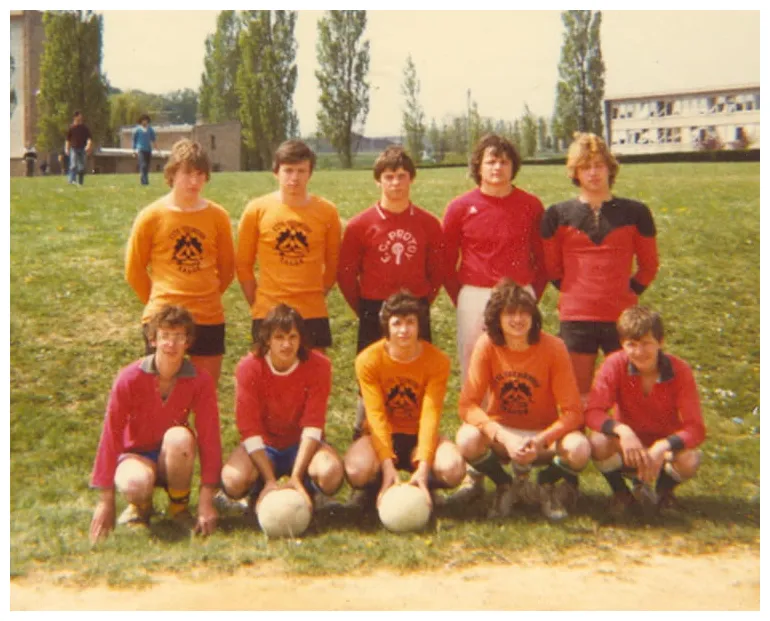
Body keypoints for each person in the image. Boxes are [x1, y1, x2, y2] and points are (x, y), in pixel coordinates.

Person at [453, 279, 589, 521]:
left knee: (579, 448)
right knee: (467, 439)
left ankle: (546, 485)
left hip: (542, 436)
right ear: (496, 318)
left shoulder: (554, 347)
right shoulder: (487, 345)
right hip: (503, 434)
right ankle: (504, 484)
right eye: (510, 313)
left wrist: (540, 440)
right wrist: (504, 437)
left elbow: (573, 412)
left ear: (533, 316)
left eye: (524, 312)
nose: (518, 319)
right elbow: (467, 404)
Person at [541, 132, 659, 403]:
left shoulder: (636, 212)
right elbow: (552, 268)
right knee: (576, 394)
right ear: (575, 172)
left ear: (610, 168)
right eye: (585, 167)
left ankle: (619, 431)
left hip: (621, 316)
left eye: (598, 165)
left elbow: (649, 265)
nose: (593, 173)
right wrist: (576, 292)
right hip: (576, 316)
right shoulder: (557, 214)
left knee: (628, 392)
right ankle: (581, 431)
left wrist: (626, 291)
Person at [89, 305, 222, 543]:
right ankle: (140, 507)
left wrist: (206, 501)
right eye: (165, 336)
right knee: (134, 482)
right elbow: (111, 434)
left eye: (178, 336)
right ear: (153, 340)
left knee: (180, 436)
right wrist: (105, 501)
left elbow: (210, 438)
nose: (171, 344)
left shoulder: (200, 380)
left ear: (188, 342)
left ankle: (179, 508)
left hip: (172, 457)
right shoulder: (129, 377)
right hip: (136, 455)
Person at [337, 146, 445, 438]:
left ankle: (419, 436)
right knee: (371, 371)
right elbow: (345, 274)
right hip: (374, 307)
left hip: (415, 308)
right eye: (388, 177)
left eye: (401, 176)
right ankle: (364, 432)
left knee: (416, 371)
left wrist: (420, 304)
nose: (395, 183)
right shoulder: (360, 225)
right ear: (378, 181)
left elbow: (437, 271)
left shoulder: (428, 223)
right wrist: (364, 307)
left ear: (412, 179)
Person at [125, 139, 235, 385]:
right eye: (187, 174)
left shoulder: (218, 217)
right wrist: (160, 302)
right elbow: (134, 270)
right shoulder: (151, 216)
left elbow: (228, 269)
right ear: (172, 174)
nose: (194, 182)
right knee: (161, 394)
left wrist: (205, 295)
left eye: (200, 174)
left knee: (204, 392)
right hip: (164, 317)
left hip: (208, 315)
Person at [218, 304, 344, 516]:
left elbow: (313, 424)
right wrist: (270, 480)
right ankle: (259, 488)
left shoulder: (319, 365)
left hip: (301, 444)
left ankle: (310, 489)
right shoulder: (249, 367)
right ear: (267, 339)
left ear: (301, 338)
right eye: (279, 337)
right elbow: (249, 429)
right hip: (265, 446)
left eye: (293, 337)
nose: (287, 344)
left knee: (330, 473)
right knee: (233, 480)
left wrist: (295, 477)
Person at [343, 291, 466, 509]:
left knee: (453, 468)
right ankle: (376, 487)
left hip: (417, 436)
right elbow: (376, 416)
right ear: (386, 326)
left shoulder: (437, 361)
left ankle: (424, 483)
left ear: (419, 326)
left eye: (410, 322)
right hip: (382, 435)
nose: (404, 330)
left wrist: (424, 466)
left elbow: (430, 416)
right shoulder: (368, 360)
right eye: (397, 323)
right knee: (356, 470)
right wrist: (386, 464)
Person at [585, 306, 706, 516]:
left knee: (690, 459)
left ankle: (663, 493)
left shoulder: (680, 370)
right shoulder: (614, 364)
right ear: (622, 344)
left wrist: (663, 446)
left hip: (663, 448)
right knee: (597, 442)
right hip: (628, 446)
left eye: (646, 343)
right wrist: (623, 431)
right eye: (632, 344)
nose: (639, 352)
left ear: (660, 342)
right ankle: (621, 493)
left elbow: (696, 428)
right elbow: (593, 411)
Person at [236, 140, 341, 351]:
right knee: (267, 369)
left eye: (301, 171)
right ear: (276, 172)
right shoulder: (256, 209)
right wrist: (257, 303)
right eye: (288, 170)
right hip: (268, 310)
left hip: (312, 311)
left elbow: (333, 264)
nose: (294, 177)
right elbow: (243, 265)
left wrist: (317, 295)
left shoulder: (327, 211)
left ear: (310, 173)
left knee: (314, 370)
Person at [65, 110, 92, 186]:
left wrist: (88, 146)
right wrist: (67, 149)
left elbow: (89, 138)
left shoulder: (84, 128)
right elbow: (68, 139)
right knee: (73, 165)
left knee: (81, 167)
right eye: (79, 116)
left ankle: (80, 183)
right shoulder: (71, 128)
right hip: (74, 149)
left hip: (83, 149)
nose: (81, 117)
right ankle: (72, 181)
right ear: (75, 117)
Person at [133, 113, 158, 186]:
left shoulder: (150, 129)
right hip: (141, 150)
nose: (145, 122)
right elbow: (134, 140)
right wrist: (134, 150)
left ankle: (145, 180)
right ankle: (144, 182)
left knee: (147, 166)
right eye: (143, 120)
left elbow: (153, 139)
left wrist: (156, 148)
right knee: (143, 165)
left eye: (146, 120)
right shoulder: (137, 130)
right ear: (141, 121)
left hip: (148, 150)